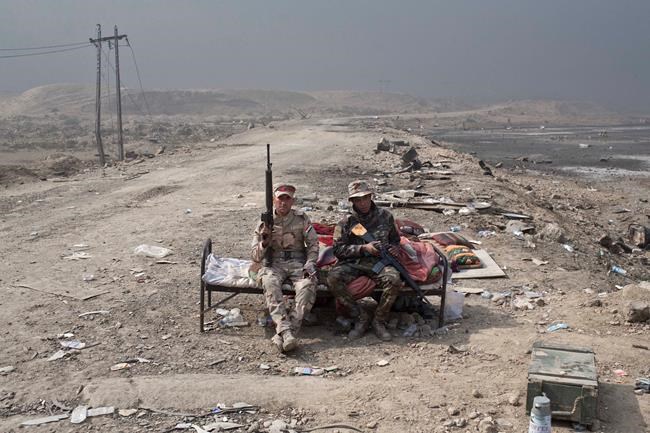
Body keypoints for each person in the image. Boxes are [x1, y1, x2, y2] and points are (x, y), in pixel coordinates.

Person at [327, 180, 402, 341]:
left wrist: (395, 248)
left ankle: (379, 320)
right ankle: (360, 317)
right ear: (352, 201)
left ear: (370, 196)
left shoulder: (385, 216)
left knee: (394, 280)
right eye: (358, 200)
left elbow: (395, 240)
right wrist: (363, 248)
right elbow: (338, 250)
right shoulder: (346, 222)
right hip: (354, 262)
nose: (362, 203)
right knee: (333, 278)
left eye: (365, 198)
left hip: (379, 262)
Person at [251, 183, 319, 352]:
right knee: (269, 282)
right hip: (274, 262)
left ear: (292, 201)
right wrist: (264, 242)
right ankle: (286, 332)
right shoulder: (265, 222)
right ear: (274, 200)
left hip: (298, 262)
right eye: (280, 199)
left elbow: (313, 244)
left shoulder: (301, 218)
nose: (283, 202)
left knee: (307, 285)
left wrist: (310, 263)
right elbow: (255, 256)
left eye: (287, 199)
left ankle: (285, 333)